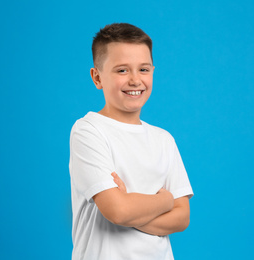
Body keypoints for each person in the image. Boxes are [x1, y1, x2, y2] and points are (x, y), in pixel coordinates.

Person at [69, 23, 193, 260]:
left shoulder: (163, 139)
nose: (136, 80)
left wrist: (132, 207)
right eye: (122, 70)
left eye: (144, 69)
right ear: (97, 77)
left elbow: (182, 217)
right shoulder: (88, 131)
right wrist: (165, 200)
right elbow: (118, 211)